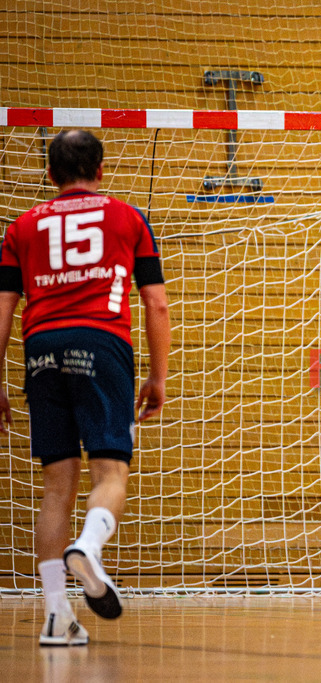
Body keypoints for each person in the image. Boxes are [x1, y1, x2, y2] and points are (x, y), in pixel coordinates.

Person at [0, 130, 170, 646]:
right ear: (100, 169)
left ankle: (57, 617)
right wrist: (158, 376)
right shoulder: (126, 216)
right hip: (101, 344)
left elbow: (3, 307)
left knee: (56, 487)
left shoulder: (21, 227)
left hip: (41, 349)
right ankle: (90, 548)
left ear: (50, 175)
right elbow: (156, 304)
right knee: (110, 469)